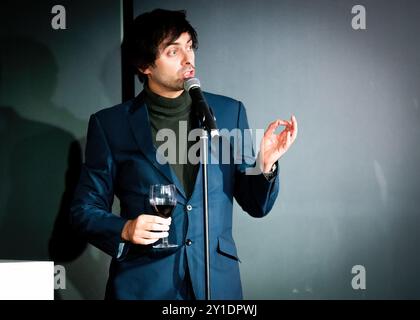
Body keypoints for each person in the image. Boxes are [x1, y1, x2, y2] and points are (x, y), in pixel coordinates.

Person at [70, 8, 298, 300]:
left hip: (216, 286)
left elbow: (256, 204)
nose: (188, 59)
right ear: (145, 65)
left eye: (189, 47)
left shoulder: (229, 113)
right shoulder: (110, 125)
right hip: (144, 285)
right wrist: (125, 229)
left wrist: (265, 166)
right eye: (173, 51)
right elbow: (83, 211)